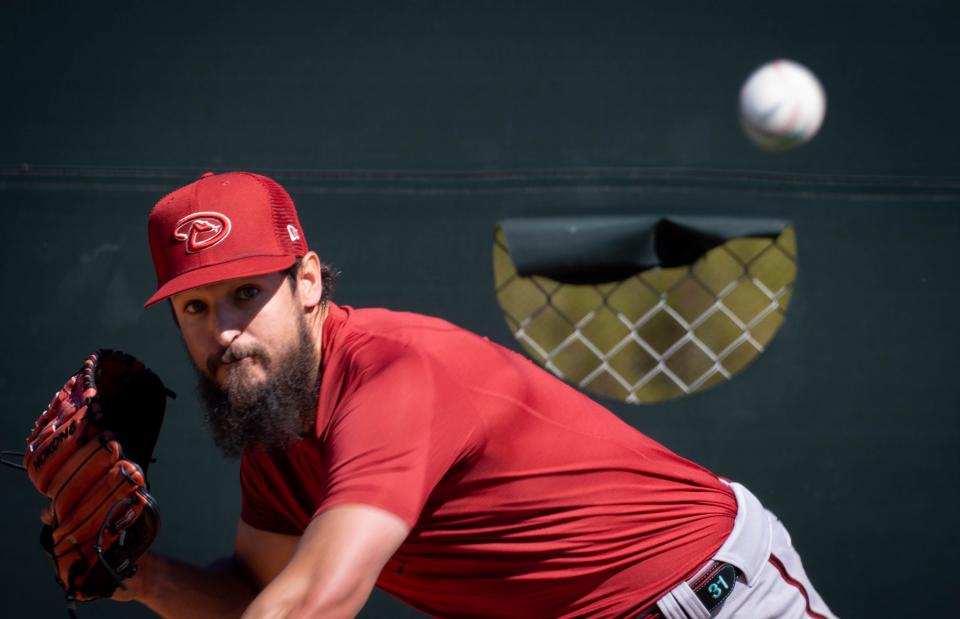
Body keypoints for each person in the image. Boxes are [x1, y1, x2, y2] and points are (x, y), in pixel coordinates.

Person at [122, 171, 836, 618]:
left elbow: (314, 601)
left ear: (308, 280)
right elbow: (259, 593)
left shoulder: (390, 374)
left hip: (709, 596)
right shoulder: (274, 433)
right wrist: (141, 574)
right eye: (197, 307)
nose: (226, 330)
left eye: (248, 293)